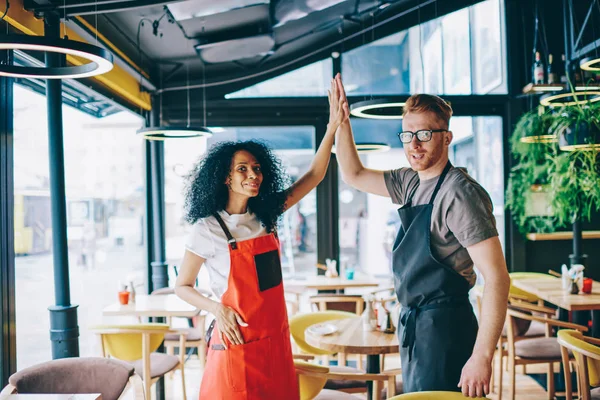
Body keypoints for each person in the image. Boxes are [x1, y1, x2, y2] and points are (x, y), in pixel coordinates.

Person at [333, 74, 510, 398]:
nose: (414, 144)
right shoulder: (411, 181)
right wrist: (341, 122)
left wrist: (482, 356)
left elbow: (497, 278)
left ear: (447, 137)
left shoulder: (459, 193)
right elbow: (354, 175)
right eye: (408, 134)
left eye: (425, 134)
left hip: (448, 328)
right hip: (415, 325)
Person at [175, 79, 348, 399]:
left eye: (256, 168)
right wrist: (217, 309)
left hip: (275, 339)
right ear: (225, 178)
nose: (253, 174)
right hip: (237, 340)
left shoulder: (265, 216)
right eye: (242, 169)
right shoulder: (208, 229)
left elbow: (314, 176)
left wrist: (333, 127)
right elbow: (182, 286)